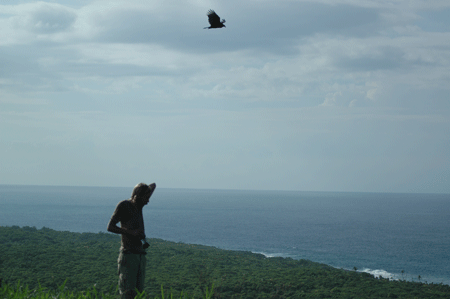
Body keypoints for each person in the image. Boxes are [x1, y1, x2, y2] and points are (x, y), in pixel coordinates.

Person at [107, 182, 156, 299]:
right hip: (129, 256)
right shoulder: (124, 205)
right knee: (128, 294)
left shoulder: (139, 205)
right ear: (137, 197)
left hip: (140, 256)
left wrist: (146, 190)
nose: (148, 201)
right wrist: (131, 232)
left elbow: (154, 185)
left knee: (139, 294)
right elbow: (110, 227)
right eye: (146, 198)